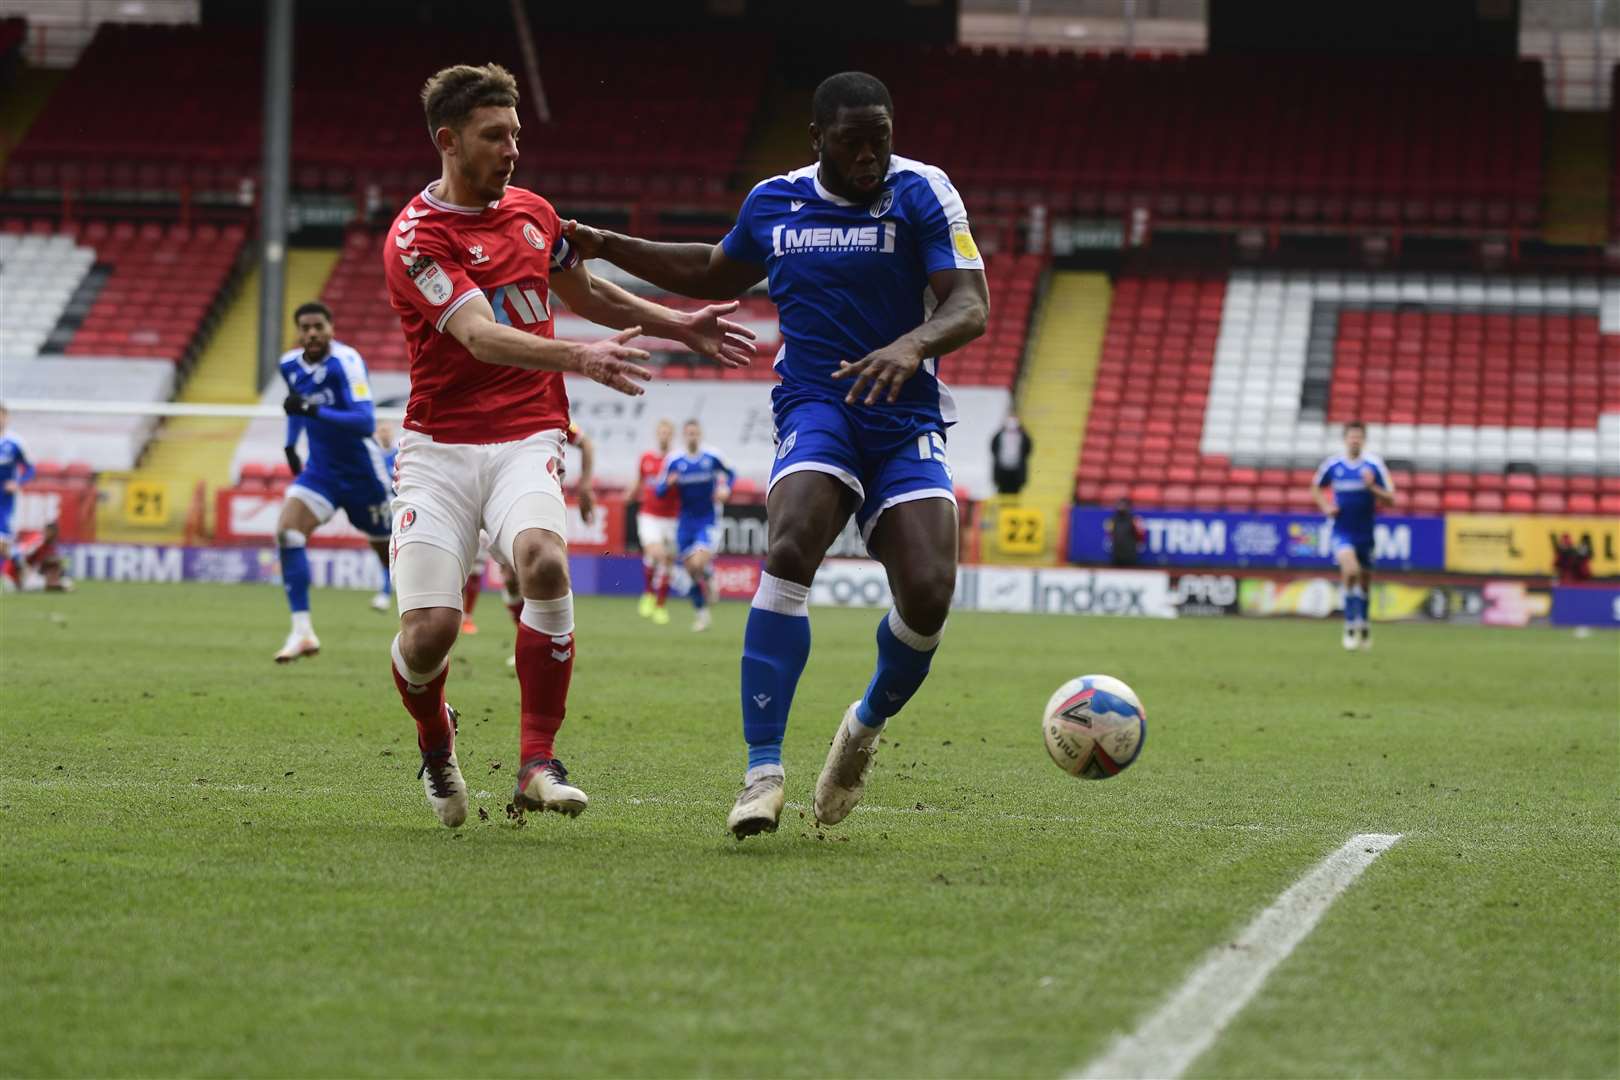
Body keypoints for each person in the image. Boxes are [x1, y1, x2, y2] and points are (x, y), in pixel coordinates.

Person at [565, 70, 990, 838]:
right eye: (853, 144)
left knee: (928, 594)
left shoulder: (923, 191)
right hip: (817, 405)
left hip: (904, 416)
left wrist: (912, 343)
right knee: (791, 542)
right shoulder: (775, 202)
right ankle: (763, 771)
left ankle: (860, 730)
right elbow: (711, 269)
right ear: (817, 141)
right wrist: (607, 244)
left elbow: (969, 302)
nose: (870, 159)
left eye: (881, 141)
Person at [383, 63, 754, 828]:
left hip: (526, 433)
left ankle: (536, 762)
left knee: (546, 560)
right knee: (430, 635)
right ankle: (434, 736)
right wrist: (580, 357)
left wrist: (678, 324)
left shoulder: (532, 213)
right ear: (449, 142)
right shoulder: (416, 240)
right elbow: (481, 337)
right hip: (439, 449)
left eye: (517, 134)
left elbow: (582, 293)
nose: (513, 150)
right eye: (496, 136)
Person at [273, 301, 395, 662]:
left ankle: (424, 612)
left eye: (318, 327)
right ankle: (302, 631)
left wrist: (312, 411)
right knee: (288, 532)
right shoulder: (289, 365)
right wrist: (291, 442)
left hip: (363, 473)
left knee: (392, 556)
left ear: (331, 328)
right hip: (321, 471)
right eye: (305, 328)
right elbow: (296, 405)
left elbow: (363, 421)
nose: (311, 334)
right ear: (298, 332)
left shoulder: (347, 362)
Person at [1313, 419, 1394, 651]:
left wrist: (1372, 488)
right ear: (1345, 438)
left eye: (1359, 436)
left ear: (1363, 440)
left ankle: (1364, 623)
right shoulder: (1333, 465)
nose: (1355, 440)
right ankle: (1349, 624)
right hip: (1342, 531)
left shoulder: (1373, 466)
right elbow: (1315, 487)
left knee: (1365, 584)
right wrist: (1326, 507)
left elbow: (1391, 500)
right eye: (1351, 436)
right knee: (1351, 571)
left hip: (1365, 533)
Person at [656, 419, 735, 632]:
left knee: (697, 563)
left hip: (708, 520)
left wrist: (726, 488)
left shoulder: (712, 457)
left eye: (695, 433)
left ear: (700, 435)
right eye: (689, 433)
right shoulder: (674, 461)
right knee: (691, 570)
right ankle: (702, 614)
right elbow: (659, 491)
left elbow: (732, 473)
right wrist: (668, 484)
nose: (692, 437)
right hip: (685, 523)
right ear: (684, 436)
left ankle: (706, 573)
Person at [636, 418, 680, 625]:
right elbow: (640, 481)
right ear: (657, 434)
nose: (664, 436)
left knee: (667, 562)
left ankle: (660, 605)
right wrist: (629, 494)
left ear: (672, 436)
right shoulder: (646, 458)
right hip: (649, 515)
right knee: (655, 553)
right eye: (661, 432)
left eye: (667, 433)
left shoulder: (677, 461)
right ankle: (648, 593)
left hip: (673, 518)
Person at [0, 403, 33, 584]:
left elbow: (30, 468)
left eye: (1, 416)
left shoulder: (15, 442)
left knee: (2, 541)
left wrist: (17, 483)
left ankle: (18, 568)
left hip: (4, 499)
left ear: (6, 418)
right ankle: (18, 568)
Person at [373, 421, 399, 612]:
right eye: (382, 430)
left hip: (399, 508)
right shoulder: (373, 455)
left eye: (387, 430)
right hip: (381, 509)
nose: (385, 434)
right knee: (386, 550)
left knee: (398, 550)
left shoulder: (400, 454)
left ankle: (389, 593)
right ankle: (385, 593)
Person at [990, 413, 1032, 496]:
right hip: (1002, 470)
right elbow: (993, 448)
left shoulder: (1022, 436)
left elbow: (1028, 448)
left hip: (1017, 471)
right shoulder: (1000, 435)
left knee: (1015, 493)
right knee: (1002, 491)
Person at [1108, 498, 1144, 567]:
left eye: (1123, 505)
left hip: (1130, 555)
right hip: (1116, 553)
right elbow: (1110, 534)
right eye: (1119, 505)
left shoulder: (1134, 519)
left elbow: (1140, 535)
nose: (1121, 507)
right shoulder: (1113, 519)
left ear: (1128, 507)